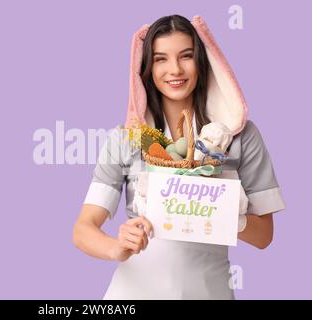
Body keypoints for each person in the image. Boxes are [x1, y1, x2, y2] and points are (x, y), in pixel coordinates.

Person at [72, 15, 286, 299]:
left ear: (203, 61)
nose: (174, 69)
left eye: (186, 56)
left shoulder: (239, 136)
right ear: (147, 68)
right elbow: (83, 229)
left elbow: (264, 236)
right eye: (160, 59)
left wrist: (220, 211)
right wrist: (117, 247)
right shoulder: (128, 138)